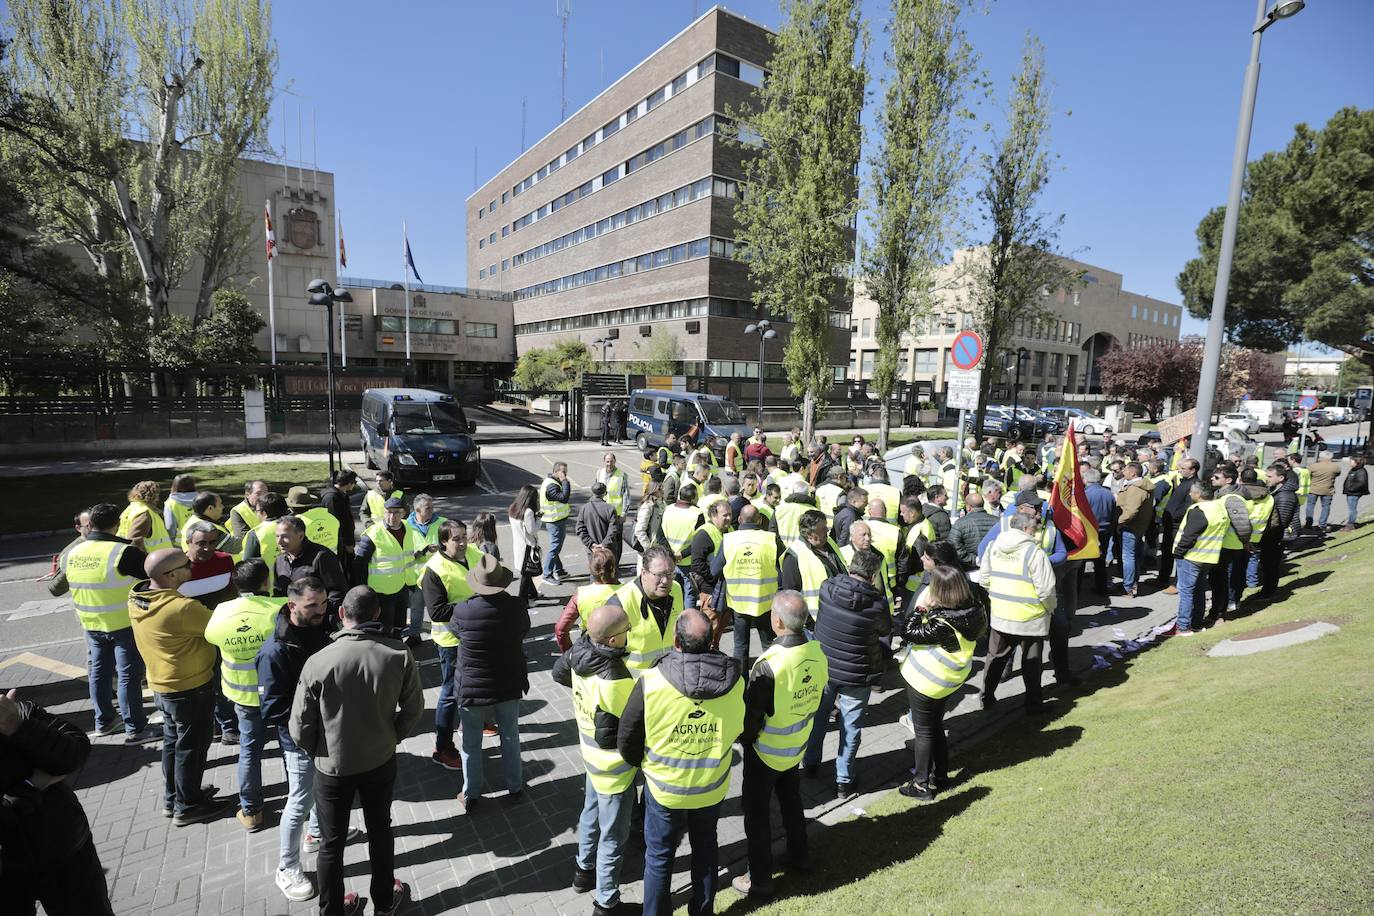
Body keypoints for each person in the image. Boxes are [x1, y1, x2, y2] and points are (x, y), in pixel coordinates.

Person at [291, 586, 422, 916]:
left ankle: (333, 911)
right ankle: (383, 902)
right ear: (377, 614)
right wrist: (392, 737)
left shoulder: (318, 662)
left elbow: (299, 726)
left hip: (332, 766)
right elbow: (413, 708)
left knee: (331, 844)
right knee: (380, 831)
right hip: (379, 759)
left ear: (341, 615)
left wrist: (318, 751)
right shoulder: (397, 653)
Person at [616, 609, 744, 916]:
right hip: (711, 787)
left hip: (664, 788)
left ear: (676, 641)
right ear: (713, 640)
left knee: (659, 857)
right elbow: (741, 728)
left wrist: (644, 767)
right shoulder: (736, 681)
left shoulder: (651, 681)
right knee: (706, 848)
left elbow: (628, 738)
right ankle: (702, 911)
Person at [732, 590, 828, 899]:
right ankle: (799, 855)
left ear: (776, 621)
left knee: (757, 816)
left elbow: (752, 718)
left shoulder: (770, 662)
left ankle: (759, 879)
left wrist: (743, 740)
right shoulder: (817, 651)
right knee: (791, 801)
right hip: (796, 745)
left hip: (765, 751)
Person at [128, 548, 234, 825]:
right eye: (186, 565)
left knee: (174, 743)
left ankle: (174, 796)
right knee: (194, 746)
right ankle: (187, 807)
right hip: (190, 686)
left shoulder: (137, 597)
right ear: (171, 574)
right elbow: (219, 627)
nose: (191, 568)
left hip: (162, 685)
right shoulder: (182, 608)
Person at [553, 604, 639, 916]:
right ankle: (606, 902)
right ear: (613, 640)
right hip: (614, 769)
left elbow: (558, 673)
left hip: (590, 757)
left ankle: (583, 870)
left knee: (590, 811)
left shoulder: (580, 652)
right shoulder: (616, 679)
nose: (629, 634)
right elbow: (633, 727)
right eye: (626, 631)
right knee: (614, 837)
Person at [256, 577, 337, 904]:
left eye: (323, 603)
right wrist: (311, 720)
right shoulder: (275, 651)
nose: (320, 611)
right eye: (311, 607)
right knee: (300, 799)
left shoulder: (321, 628)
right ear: (292, 606)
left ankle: (315, 834)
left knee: (321, 788)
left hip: (328, 732)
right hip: (300, 740)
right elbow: (273, 709)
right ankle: (287, 867)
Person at [0, 690, 116, 916]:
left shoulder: (8, 708)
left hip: (64, 848)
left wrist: (17, 726)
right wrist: (31, 787)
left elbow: (76, 749)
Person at [61, 502, 155, 743]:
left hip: (91, 624)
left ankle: (104, 722)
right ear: (118, 525)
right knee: (127, 677)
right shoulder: (123, 552)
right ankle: (136, 729)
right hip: (122, 624)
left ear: (90, 524)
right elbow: (153, 575)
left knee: (98, 675)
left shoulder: (73, 553)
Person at [202, 559, 283, 832]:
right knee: (291, 749)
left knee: (249, 752)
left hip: (243, 697)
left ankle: (251, 811)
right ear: (266, 583)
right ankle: (302, 799)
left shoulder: (221, 611)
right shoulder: (279, 607)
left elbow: (211, 638)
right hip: (279, 694)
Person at [897, 565, 987, 800]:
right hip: (951, 679)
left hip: (927, 680)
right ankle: (942, 776)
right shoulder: (975, 609)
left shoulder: (942, 623)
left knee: (924, 731)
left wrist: (921, 609)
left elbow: (907, 631)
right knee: (935, 726)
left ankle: (920, 785)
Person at [801, 547, 887, 795]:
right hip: (857, 674)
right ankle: (844, 780)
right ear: (872, 576)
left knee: (818, 720)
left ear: (850, 567)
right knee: (851, 729)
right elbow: (883, 630)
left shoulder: (827, 588)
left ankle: (811, 764)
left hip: (824, 669)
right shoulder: (877, 603)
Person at [447, 555, 530, 810]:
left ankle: (471, 793)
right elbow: (523, 630)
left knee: (470, 742)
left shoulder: (463, 610)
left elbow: (454, 631)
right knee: (510, 736)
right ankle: (515, 786)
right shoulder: (516, 607)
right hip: (508, 681)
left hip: (472, 686)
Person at [417, 520, 486, 768]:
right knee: (449, 693)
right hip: (450, 641)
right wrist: (476, 606)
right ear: (443, 542)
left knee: (477, 682)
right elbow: (437, 612)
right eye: (456, 539)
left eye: (464, 537)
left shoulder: (473, 553)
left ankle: (474, 722)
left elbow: (491, 573)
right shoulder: (433, 570)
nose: (463, 543)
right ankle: (443, 748)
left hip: (474, 634)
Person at [977, 512, 1056, 712]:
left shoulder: (993, 546)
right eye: (1035, 528)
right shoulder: (1034, 552)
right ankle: (1033, 704)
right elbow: (1046, 590)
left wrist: (999, 596)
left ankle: (987, 697)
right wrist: (1050, 609)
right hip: (1030, 618)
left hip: (1001, 615)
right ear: (1025, 529)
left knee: (995, 659)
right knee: (1032, 664)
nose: (1037, 532)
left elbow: (984, 579)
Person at [716, 504, 784, 669]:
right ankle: (773, 680)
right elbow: (783, 565)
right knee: (769, 645)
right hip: (765, 602)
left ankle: (741, 684)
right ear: (760, 520)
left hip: (739, 603)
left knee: (740, 646)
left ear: (739, 519)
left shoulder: (729, 540)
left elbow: (714, 569)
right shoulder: (770, 539)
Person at [606, 545, 684, 675]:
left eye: (670, 574)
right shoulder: (621, 602)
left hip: (669, 679)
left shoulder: (676, 589)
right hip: (636, 686)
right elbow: (603, 655)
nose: (665, 581)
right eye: (659, 575)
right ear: (643, 572)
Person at [1169, 481, 1231, 635]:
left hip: (1192, 556)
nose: (1189, 494)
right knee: (1198, 590)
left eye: (1191, 492)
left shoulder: (1198, 510)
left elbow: (1190, 535)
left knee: (1186, 592)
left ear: (1198, 494)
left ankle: (1183, 626)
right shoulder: (1219, 507)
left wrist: (1178, 552)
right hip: (1208, 556)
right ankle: (1196, 623)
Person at [354, 497, 422, 637]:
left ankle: (398, 649)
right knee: (383, 629)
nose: (392, 516)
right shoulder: (373, 534)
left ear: (404, 513)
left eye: (396, 512)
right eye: (388, 512)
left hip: (403, 586)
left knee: (399, 626)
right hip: (381, 592)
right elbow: (359, 564)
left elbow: (406, 556)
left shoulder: (408, 528)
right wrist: (363, 591)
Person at [780, 510, 846, 621]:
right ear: (810, 534)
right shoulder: (794, 556)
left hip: (838, 613)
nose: (827, 530)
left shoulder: (829, 543)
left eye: (826, 526)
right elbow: (791, 594)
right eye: (822, 529)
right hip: (816, 621)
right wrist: (808, 622)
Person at [274, 515, 348, 612]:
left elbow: (338, 592)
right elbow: (278, 593)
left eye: (285, 536)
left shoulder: (322, 557)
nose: (279, 541)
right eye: (277, 536)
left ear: (301, 536)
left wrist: (319, 614)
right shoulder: (280, 560)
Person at [555, 546, 622, 652]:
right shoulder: (627, 591)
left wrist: (568, 653)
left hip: (590, 647)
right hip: (620, 647)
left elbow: (560, 629)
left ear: (590, 569)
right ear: (613, 569)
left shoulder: (581, 594)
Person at [1210, 464, 1254, 618]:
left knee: (1223, 579)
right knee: (1224, 578)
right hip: (1227, 544)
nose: (1212, 479)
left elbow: (1241, 523)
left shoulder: (1232, 498)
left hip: (1230, 545)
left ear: (1228, 480)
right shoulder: (1223, 493)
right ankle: (1223, 605)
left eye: (1216, 477)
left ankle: (1221, 608)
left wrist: (1245, 542)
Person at [402, 494, 446, 645]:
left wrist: (440, 548)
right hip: (416, 576)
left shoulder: (442, 523)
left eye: (433, 507)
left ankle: (442, 636)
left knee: (440, 606)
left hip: (439, 574)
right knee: (416, 607)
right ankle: (415, 635)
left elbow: (450, 545)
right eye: (428, 508)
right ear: (417, 510)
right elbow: (403, 554)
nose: (432, 510)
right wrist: (422, 552)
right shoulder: (405, 526)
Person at [1157, 457, 1200, 594]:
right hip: (1170, 524)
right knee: (1167, 552)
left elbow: (1188, 506)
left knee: (1178, 555)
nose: (1180, 470)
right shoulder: (1184, 482)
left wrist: (1174, 516)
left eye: (1183, 468)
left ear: (1192, 470)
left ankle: (1177, 584)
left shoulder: (1194, 485)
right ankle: (1162, 578)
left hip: (1178, 525)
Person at [1257, 464, 1300, 598]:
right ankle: (1267, 590)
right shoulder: (1277, 491)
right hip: (1273, 535)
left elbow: (1281, 521)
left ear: (1281, 478)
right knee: (1267, 563)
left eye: (1270, 476)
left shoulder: (1285, 496)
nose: (1267, 479)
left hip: (1278, 536)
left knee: (1271, 564)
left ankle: (1268, 592)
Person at [662, 483, 706, 609]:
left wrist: (671, 553)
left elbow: (660, 536)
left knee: (672, 592)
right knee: (690, 594)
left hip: (671, 560)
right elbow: (699, 541)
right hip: (688, 561)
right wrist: (682, 554)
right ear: (693, 498)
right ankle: (688, 621)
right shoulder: (697, 514)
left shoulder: (668, 509)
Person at [1115, 462, 1155, 598]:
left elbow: (1131, 511)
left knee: (1128, 557)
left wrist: (1119, 522)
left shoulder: (1135, 489)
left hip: (1130, 527)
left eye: (1125, 470)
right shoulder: (1144, 486)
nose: (1123, 472)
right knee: (1135, 556)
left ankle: (1128, 587)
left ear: (1133, 473)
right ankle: (1133, 583)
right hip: (1139, 526)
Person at [182, 520, 237, 609]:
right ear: (188, 542)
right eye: (201, 543)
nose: (207, 548)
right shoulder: (176, 568)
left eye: (212, 542)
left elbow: (233, 595)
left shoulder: (225, 560)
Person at [1082, 468, 1118, 596]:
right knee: (1100, 559)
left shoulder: (1084, 495)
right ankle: (1101, 587)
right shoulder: (1109, 494)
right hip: (1105, 530)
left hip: (1089, 531)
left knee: (1082, 560)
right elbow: (1114, 513)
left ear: (1086, 480)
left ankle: (1077, 588)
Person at [241, 492, 289, 582]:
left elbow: (248, 567)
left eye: (256, 510)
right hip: (299, 583)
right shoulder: (297, 525)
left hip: (270, 588)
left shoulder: (256, 533)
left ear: (263, 513)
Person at [178, 491, 244, 557]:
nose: (223, 507)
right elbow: (237, 547)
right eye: (220, 504)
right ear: (210, 508)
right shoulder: (209, 530)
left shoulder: (193, 520)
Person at [319, 470, 359, 570]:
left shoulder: (340, 495)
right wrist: (347, 543)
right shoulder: (332, 498)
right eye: (355, 482)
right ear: (350, 483)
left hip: (343, 542)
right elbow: (336, 524)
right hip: (340, 544)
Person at [578, 482, 624, 570]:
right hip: (608, 550)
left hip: (592, 551)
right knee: (610, 574)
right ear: (605, 493)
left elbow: (580, 529)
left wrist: (592, 545)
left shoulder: (584, 508)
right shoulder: (610, 509)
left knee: (595, 574)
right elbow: (613, 530)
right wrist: (604, 545)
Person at [508, 484, 542, 600]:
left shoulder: (513, 508)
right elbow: (533, 530)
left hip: (518, 544)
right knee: (526, 574)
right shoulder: (528, 512)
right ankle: (522, 600)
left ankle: (533, 594)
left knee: (527, 572)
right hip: (528, 546)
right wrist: (539, 519)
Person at [541, 462, 574, 585]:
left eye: (566, 472)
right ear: (556, 472)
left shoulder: (553, 481)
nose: (565, 474)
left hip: (558, 519)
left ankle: (559, 571)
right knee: (555, 547)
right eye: (563, 472)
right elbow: (564, 497)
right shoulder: (551, 486)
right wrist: (565, 480)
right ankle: (547, 574)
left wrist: (563, 480)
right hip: (554, 521)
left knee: (556, 546)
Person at [117, 480, 172, 552]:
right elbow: (135, 540)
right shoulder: (144, 513)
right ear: (153, 496)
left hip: (124, 553)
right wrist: (143, 557)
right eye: (157, 494)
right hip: (151, 560)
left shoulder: (129, 509)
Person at [287, 486, 343, 556]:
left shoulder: (295, 525)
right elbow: (340, 543)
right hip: (332, 561)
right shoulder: (329, 516)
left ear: (291, 507)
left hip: (310, 564)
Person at [949, 491, 996, 569]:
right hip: (992, 567)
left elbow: (954, 547)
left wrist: (975, 560)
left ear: (968, 507)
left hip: (969, 568)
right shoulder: (998, 522)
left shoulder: (960, 523)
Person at [1306, 450, 1341, 532]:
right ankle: (1322, 524)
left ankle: (1308, 523)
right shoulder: (1335, 467)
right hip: (1328, 490)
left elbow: (1308, 474)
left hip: (1314, 489)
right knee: (1326, 507)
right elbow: (1338, 473)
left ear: (1320, 457)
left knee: (1310, 505)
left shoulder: (1313, 466)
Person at [633, 480, 666, 556]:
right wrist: (649, 549)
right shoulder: (647, 506)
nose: (663, 490)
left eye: (662, 488)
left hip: (659, 547)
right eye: (660, 489)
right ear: (653, 490)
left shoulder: (662, 503)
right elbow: (639, 530)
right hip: (649, 551)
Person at [1342, 453, 1368, 532]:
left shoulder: (1361, 471)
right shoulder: (1354, 470)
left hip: (1354, 493)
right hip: (1350, 492)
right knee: (1351, 508)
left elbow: (1361, 483)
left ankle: (1350, 524)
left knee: (1352, 509)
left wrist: (1351, 489)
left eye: (1351, 461)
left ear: (1357, 462)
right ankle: (1350, 523)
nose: (1350, 463)